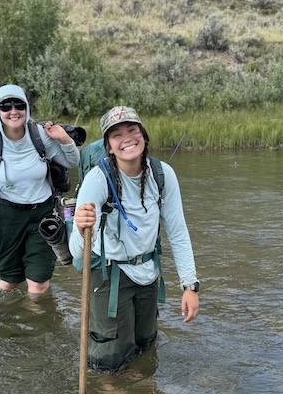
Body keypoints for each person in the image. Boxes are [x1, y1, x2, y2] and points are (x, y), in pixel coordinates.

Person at [69, 105, 199, 372]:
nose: (127, 138)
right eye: (116, 135)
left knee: (144, 348)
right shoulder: (97, 180)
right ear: (109, 146)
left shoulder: (163, 175)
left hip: (148, 273)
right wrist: (82, 230)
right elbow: (76, 255)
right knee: (110, 361)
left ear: (144, 135)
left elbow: (177, 231)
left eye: (132, 129)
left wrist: (190, 285)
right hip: (108, 274)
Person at [0, 84, 80, 295]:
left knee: (38, 283)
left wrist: (64, 138)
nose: (13, 111)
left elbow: (72, 161)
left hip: (43, 216)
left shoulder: (40, 135)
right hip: (6, 217)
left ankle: (37, 323)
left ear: (26, 107)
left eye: (18, 105)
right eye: (5, 106)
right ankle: (6, 321)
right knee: (9, 281)